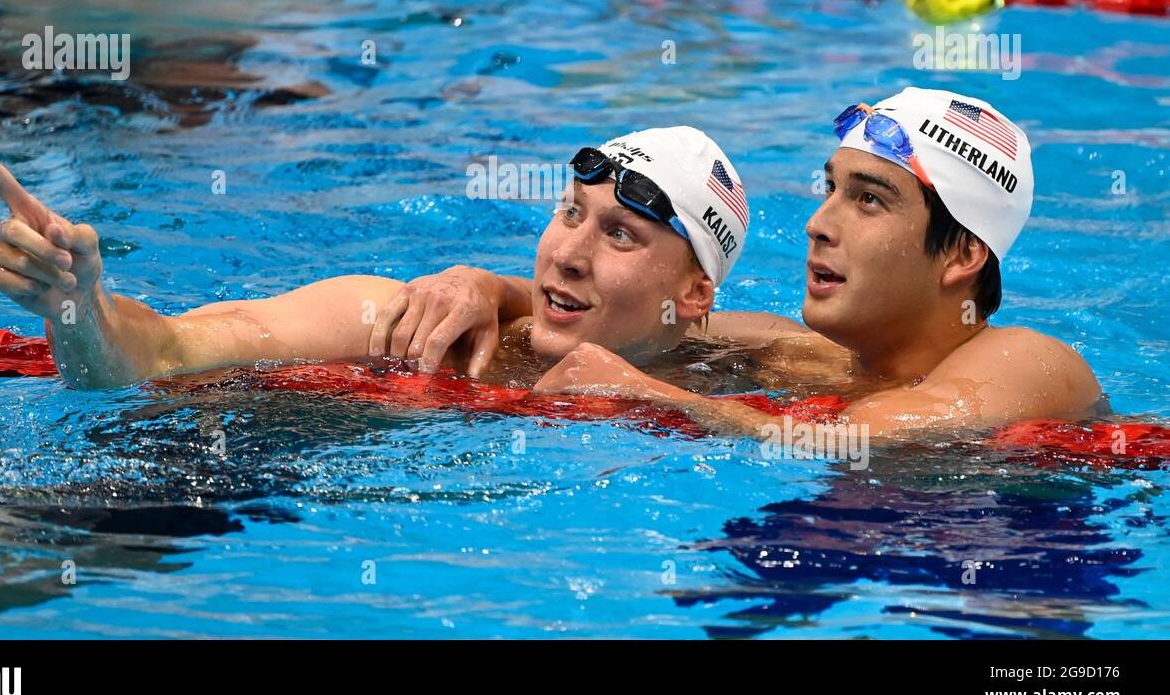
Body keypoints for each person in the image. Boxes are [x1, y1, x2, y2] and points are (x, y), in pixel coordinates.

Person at [388, 88, 1103, 437]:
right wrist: (485, 286)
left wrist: (661, 399)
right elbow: (640, 316)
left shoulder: (1027, 361)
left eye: (870, 201)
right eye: (830, 191)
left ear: (965, 254)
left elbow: (863, 440)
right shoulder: (792, 353)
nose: (819, 224)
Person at [0, 126, 751, 390]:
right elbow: (168, 351)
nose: (566, 256)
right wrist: (78, 306)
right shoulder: (405, 323)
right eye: (569, 214)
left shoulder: (752, 378)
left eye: (619, 235)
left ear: (695, 293)